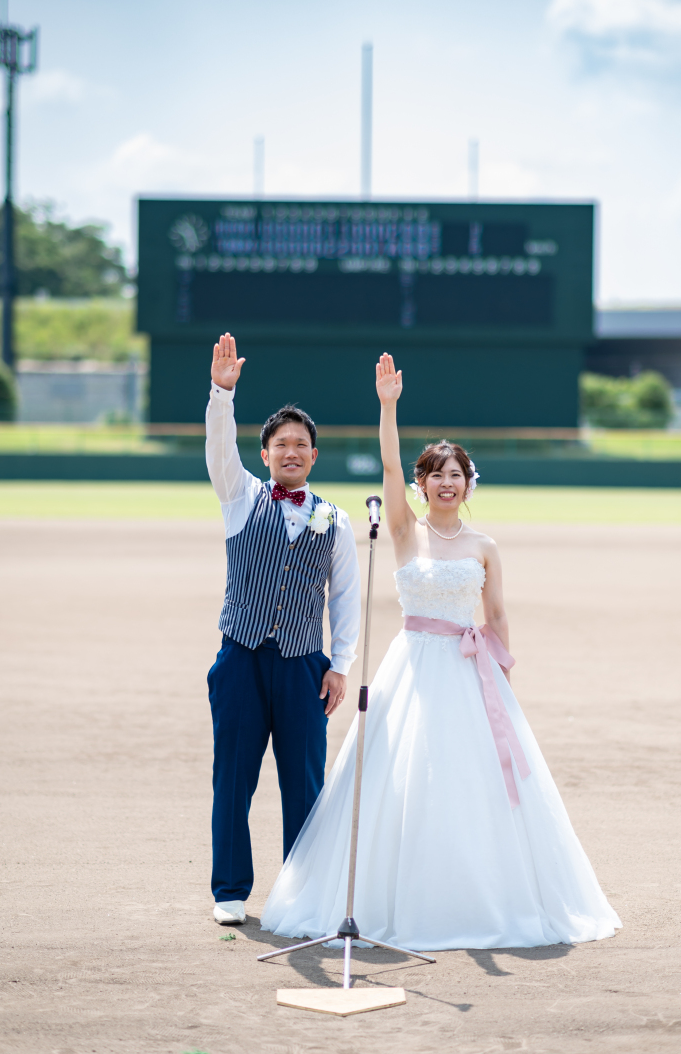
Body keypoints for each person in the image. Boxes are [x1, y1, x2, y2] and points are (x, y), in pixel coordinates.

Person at [261, 352, 621, 950]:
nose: (446, 483)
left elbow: (498, 615)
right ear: (423, 484)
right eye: (436, 475)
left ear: (468, 483)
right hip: (414, 666)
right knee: (401, 777)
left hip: (470, 671)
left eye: (456, 474)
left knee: (471, 783)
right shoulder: (405, 531)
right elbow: (386, 462)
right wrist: (388, 407)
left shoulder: (485, 546)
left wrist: (504, 676)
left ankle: (482, 898)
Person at [205, 333, 360, 925]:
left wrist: (340, 663)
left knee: (304, 786)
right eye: (280, 444)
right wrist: (223, 394)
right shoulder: (240, 497)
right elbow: (220, 450)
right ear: (264, 453)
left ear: (314, 456)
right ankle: (230, 892)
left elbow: (345, 595)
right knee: (234, 779)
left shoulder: (335, 519)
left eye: (301, 444)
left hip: (302, 665)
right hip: (241, 657)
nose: (290, 451)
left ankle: (301, 895)